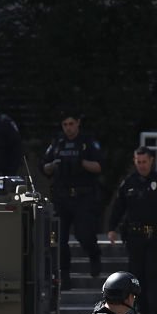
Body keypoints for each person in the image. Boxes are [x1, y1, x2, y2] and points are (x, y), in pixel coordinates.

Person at [107, 147, 157, 314]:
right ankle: (140, 311)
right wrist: (112, 228)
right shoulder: (129, 182)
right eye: (138, 162)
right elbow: (118, 207)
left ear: (151, 161)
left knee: (153, 275)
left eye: (144, 162)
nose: (141, 165)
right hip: (134, 237)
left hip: (154, 236)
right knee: (135, 277)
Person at [40, 111, 103, 289]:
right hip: (62, 196)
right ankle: (64, 275)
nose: (68, 128)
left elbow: (99, 166)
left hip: (83, 196)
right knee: (59, 240)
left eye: (71, 124)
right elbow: (44, 167)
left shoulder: (87, 142)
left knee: (84, 234)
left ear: (78, 123)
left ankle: (94, 255)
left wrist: (81, 162)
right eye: (65, 124)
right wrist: (54, 164)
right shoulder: (57, 143)